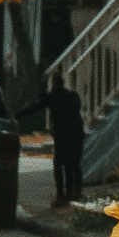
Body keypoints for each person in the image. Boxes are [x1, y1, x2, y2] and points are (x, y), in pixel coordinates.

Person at [38, 72, 86, 206]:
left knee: (63, 163)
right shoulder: (72, 97)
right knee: (72, 163)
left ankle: (64, 194)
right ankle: (73, 191)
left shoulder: (56, 98)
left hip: (65, 133)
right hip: (74, 133)